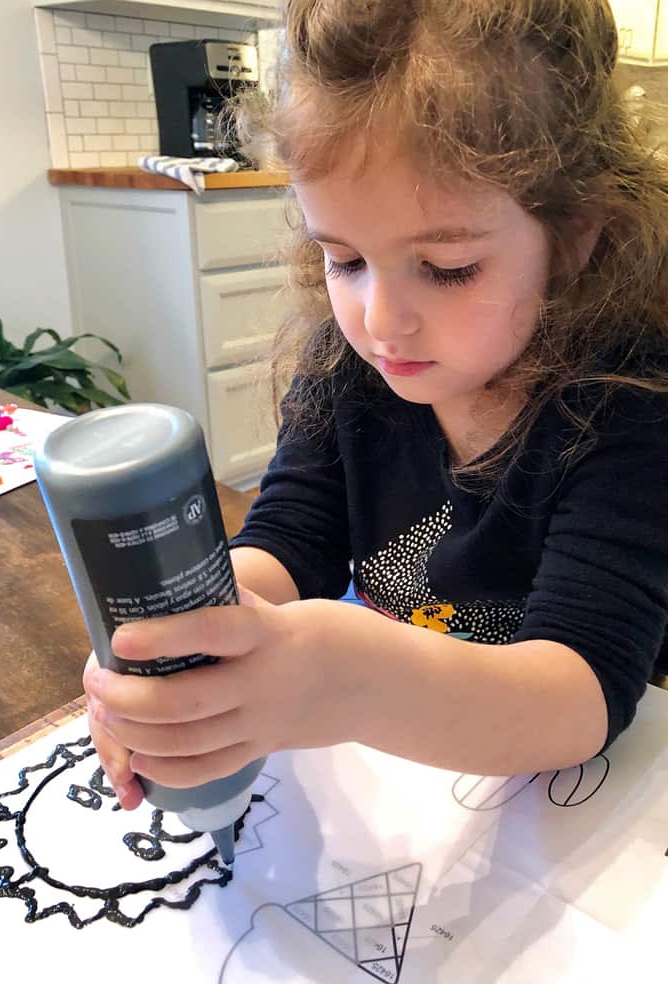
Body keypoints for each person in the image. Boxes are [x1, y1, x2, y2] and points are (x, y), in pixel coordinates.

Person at [85, 0, 668, 811]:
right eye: (346, 259)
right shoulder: (349, 364)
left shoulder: (632, 402)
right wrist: (202, 638)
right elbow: (291, 541)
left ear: (573, 237)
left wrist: (347, 679)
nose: (379, 321)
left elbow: (584, 690)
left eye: (449, 267)